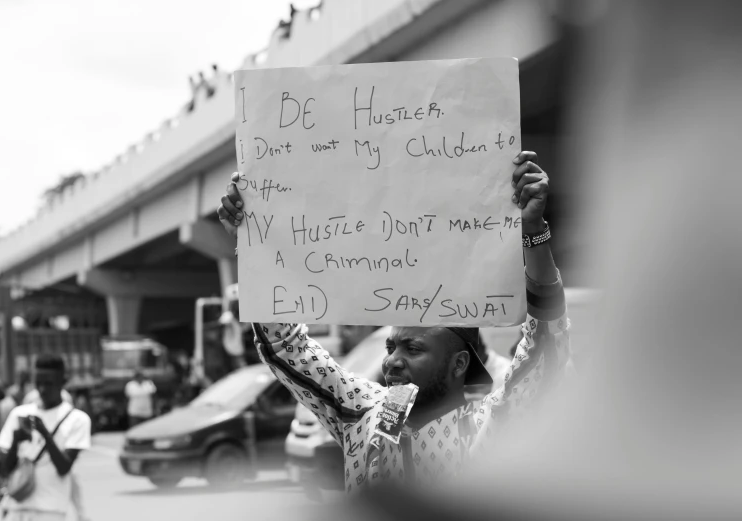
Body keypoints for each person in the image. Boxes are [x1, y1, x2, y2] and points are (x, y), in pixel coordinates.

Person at [218, 151, 571, 491]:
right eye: (390, 345)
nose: (391, 360)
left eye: (412, 348)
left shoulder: (489, 428)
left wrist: (533, 230)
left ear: (459, 363)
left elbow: (544, 344)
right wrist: (253, 243)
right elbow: (287, 347)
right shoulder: (361, 413)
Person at [0, 354, 91, 520]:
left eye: (49, 384)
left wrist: (45, 434)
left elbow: (64, 467)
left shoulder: (78, 420)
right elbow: (5, 469)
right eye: (38, 383)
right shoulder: (19, 414)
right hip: (17, 508)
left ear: (63, 382)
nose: (42, 389)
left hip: (51, 510)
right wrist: (16, 441)